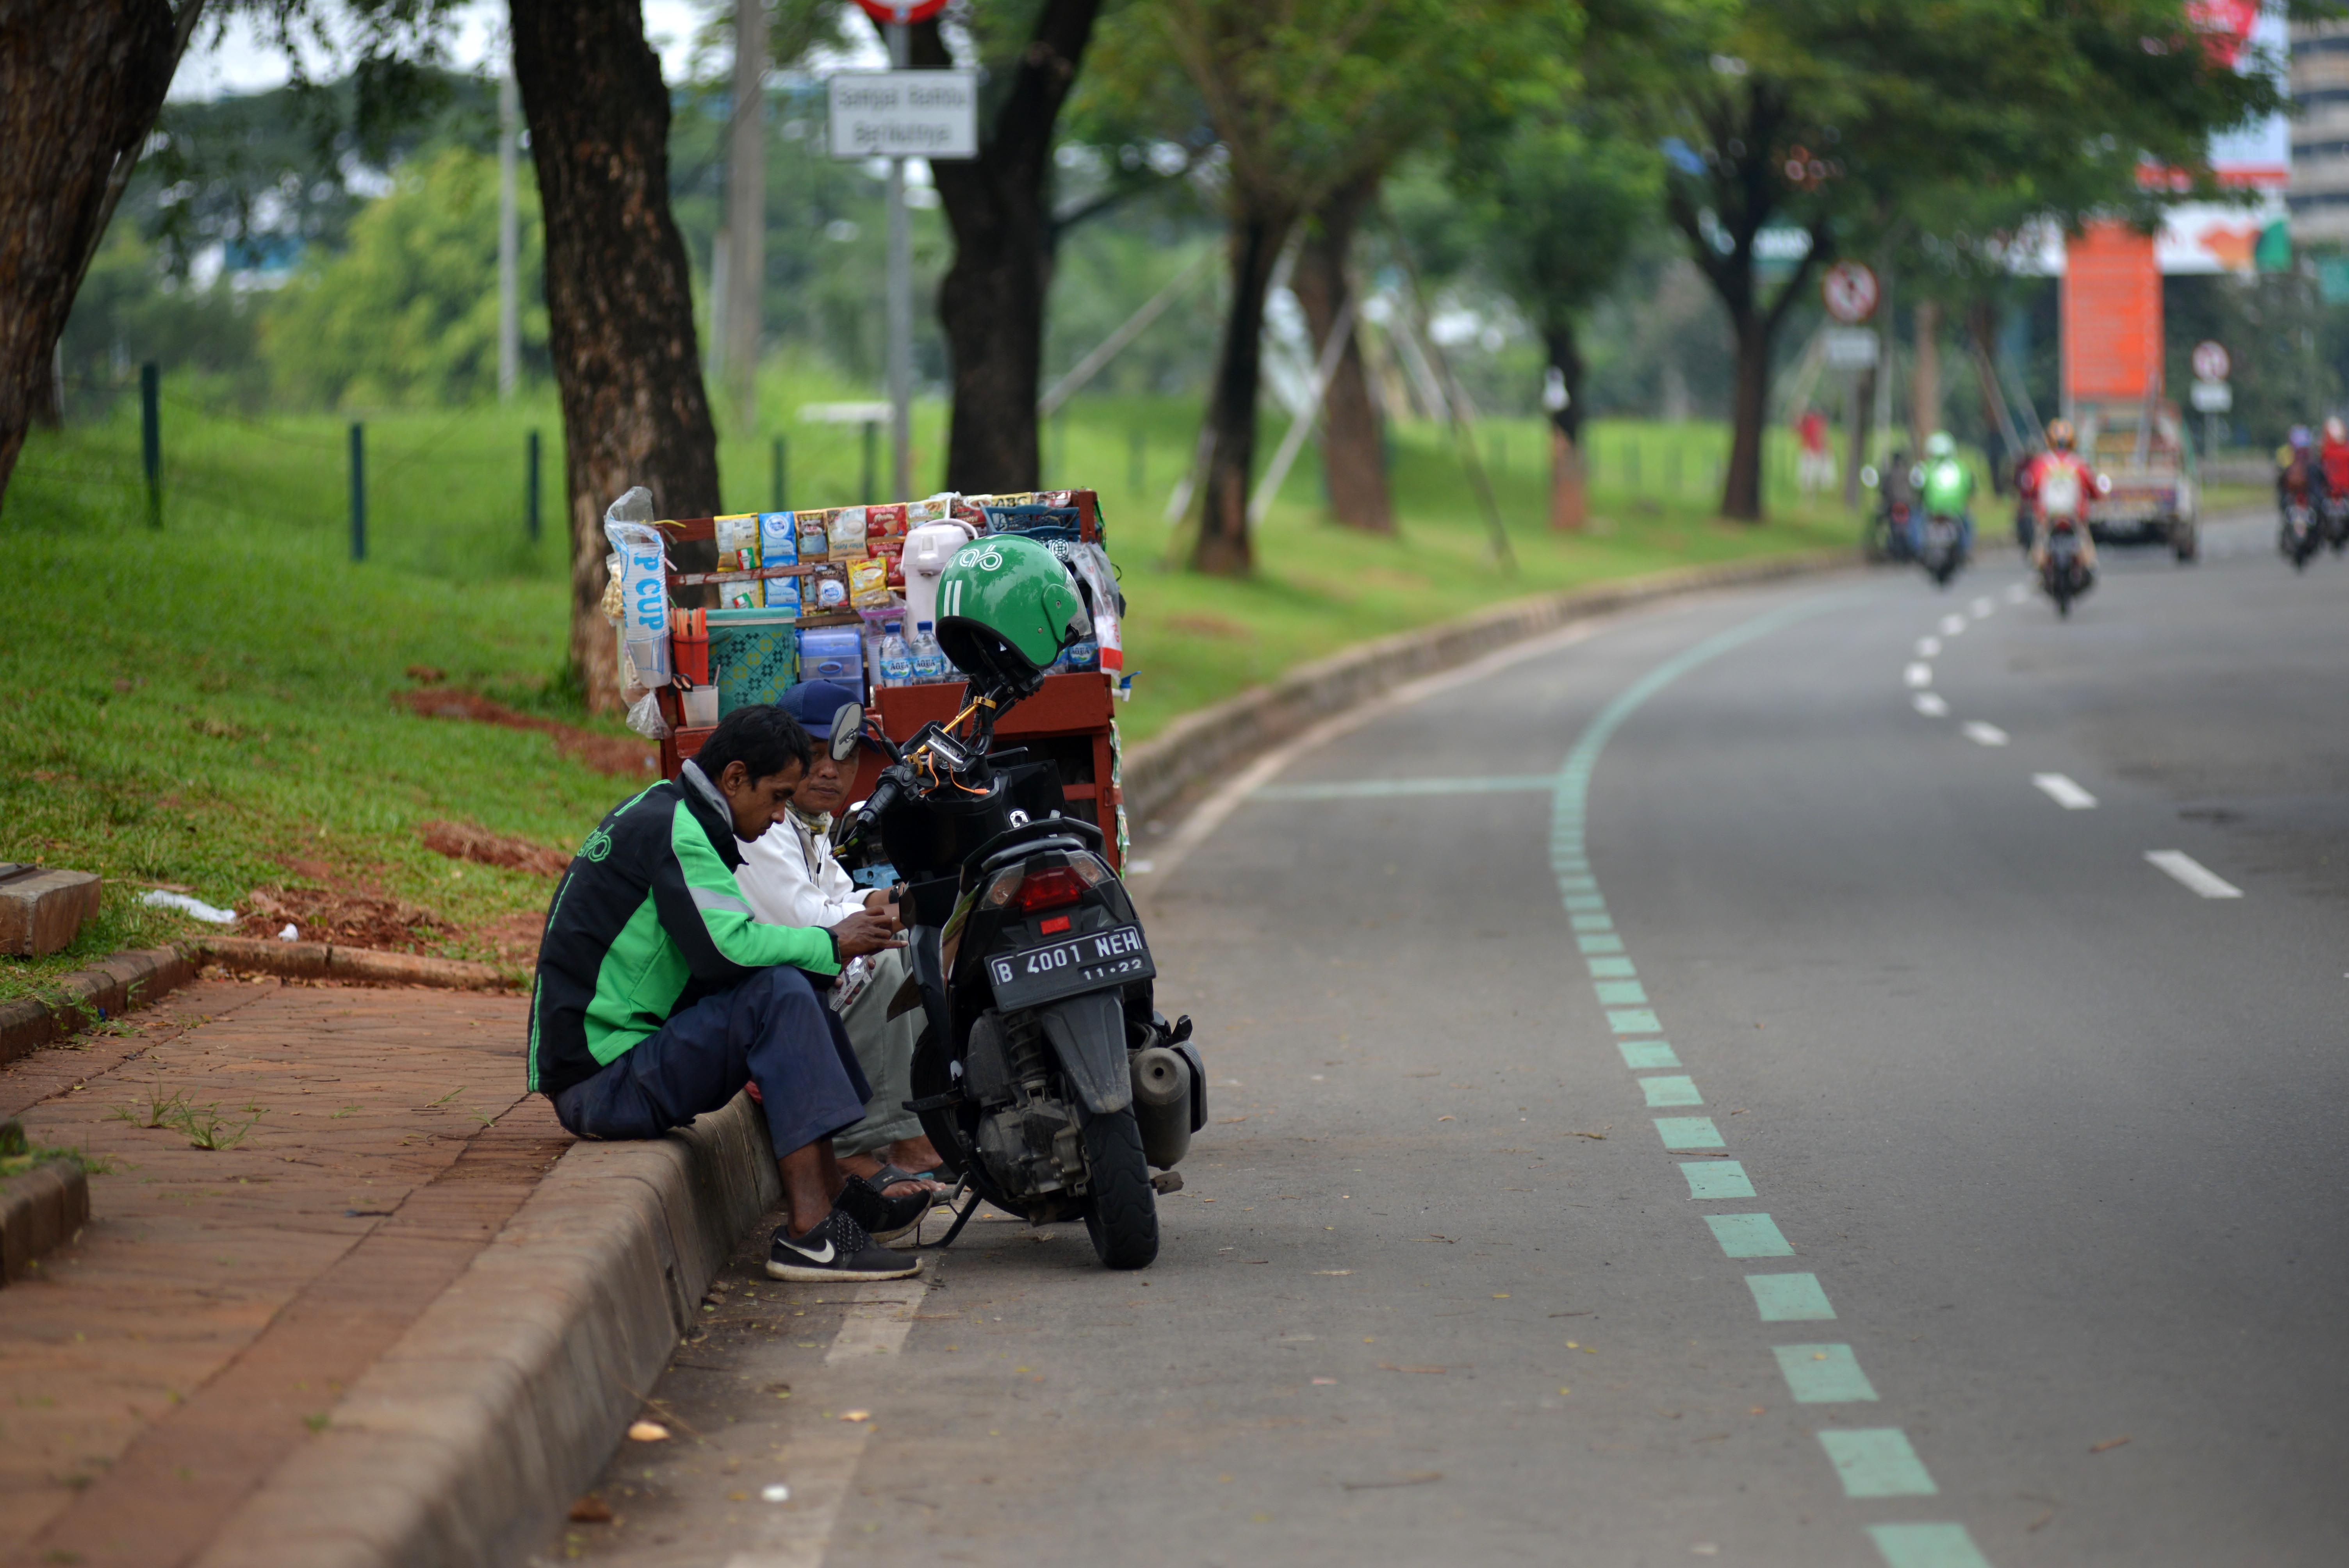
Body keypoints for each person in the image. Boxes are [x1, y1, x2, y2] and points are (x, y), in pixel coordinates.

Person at [529, 703, 927, 1282]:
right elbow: (724, 948)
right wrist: (830, 944)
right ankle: (812, 1231)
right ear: (735, 778)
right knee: (781, 992)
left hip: (610, 1070)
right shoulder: (677, 830)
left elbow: (723, 950)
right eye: (777, 797)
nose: (777, 816)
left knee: (789, 984)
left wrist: (817, 950)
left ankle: (834, 1193)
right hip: (600, 1085)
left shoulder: (673, 814)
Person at [734, 681, 948, 1201]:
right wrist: (874, 912)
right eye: (813, 756)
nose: (831, 770)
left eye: (844, 757)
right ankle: (857, 1146)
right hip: (763, 1004)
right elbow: (810, 918)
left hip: (795, 982)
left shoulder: (811, 824)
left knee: (918, 951)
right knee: (881, 964)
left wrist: (882, 903)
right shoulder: (765, 822)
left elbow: (839, 893)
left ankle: (913, 1137)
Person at [2018, 417, 2098, 574]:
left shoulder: (2041, 463)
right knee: (2085, 540)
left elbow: (2028, 488)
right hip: (2074, 515)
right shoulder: (2078, 464)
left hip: (2048, 515)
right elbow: (2093, 488)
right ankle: (2091, 566)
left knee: (2040, 541)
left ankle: (2037, 569)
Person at [1911, 431, 1974, 559]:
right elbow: (1970, 486)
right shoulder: (1961, 467)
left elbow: (1917, 486)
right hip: (1956, 510)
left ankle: (1917, 550)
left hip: (1932, 510)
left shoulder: (1925, 467)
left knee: (1916, 521)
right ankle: (1966, 550)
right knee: (1968, 523)